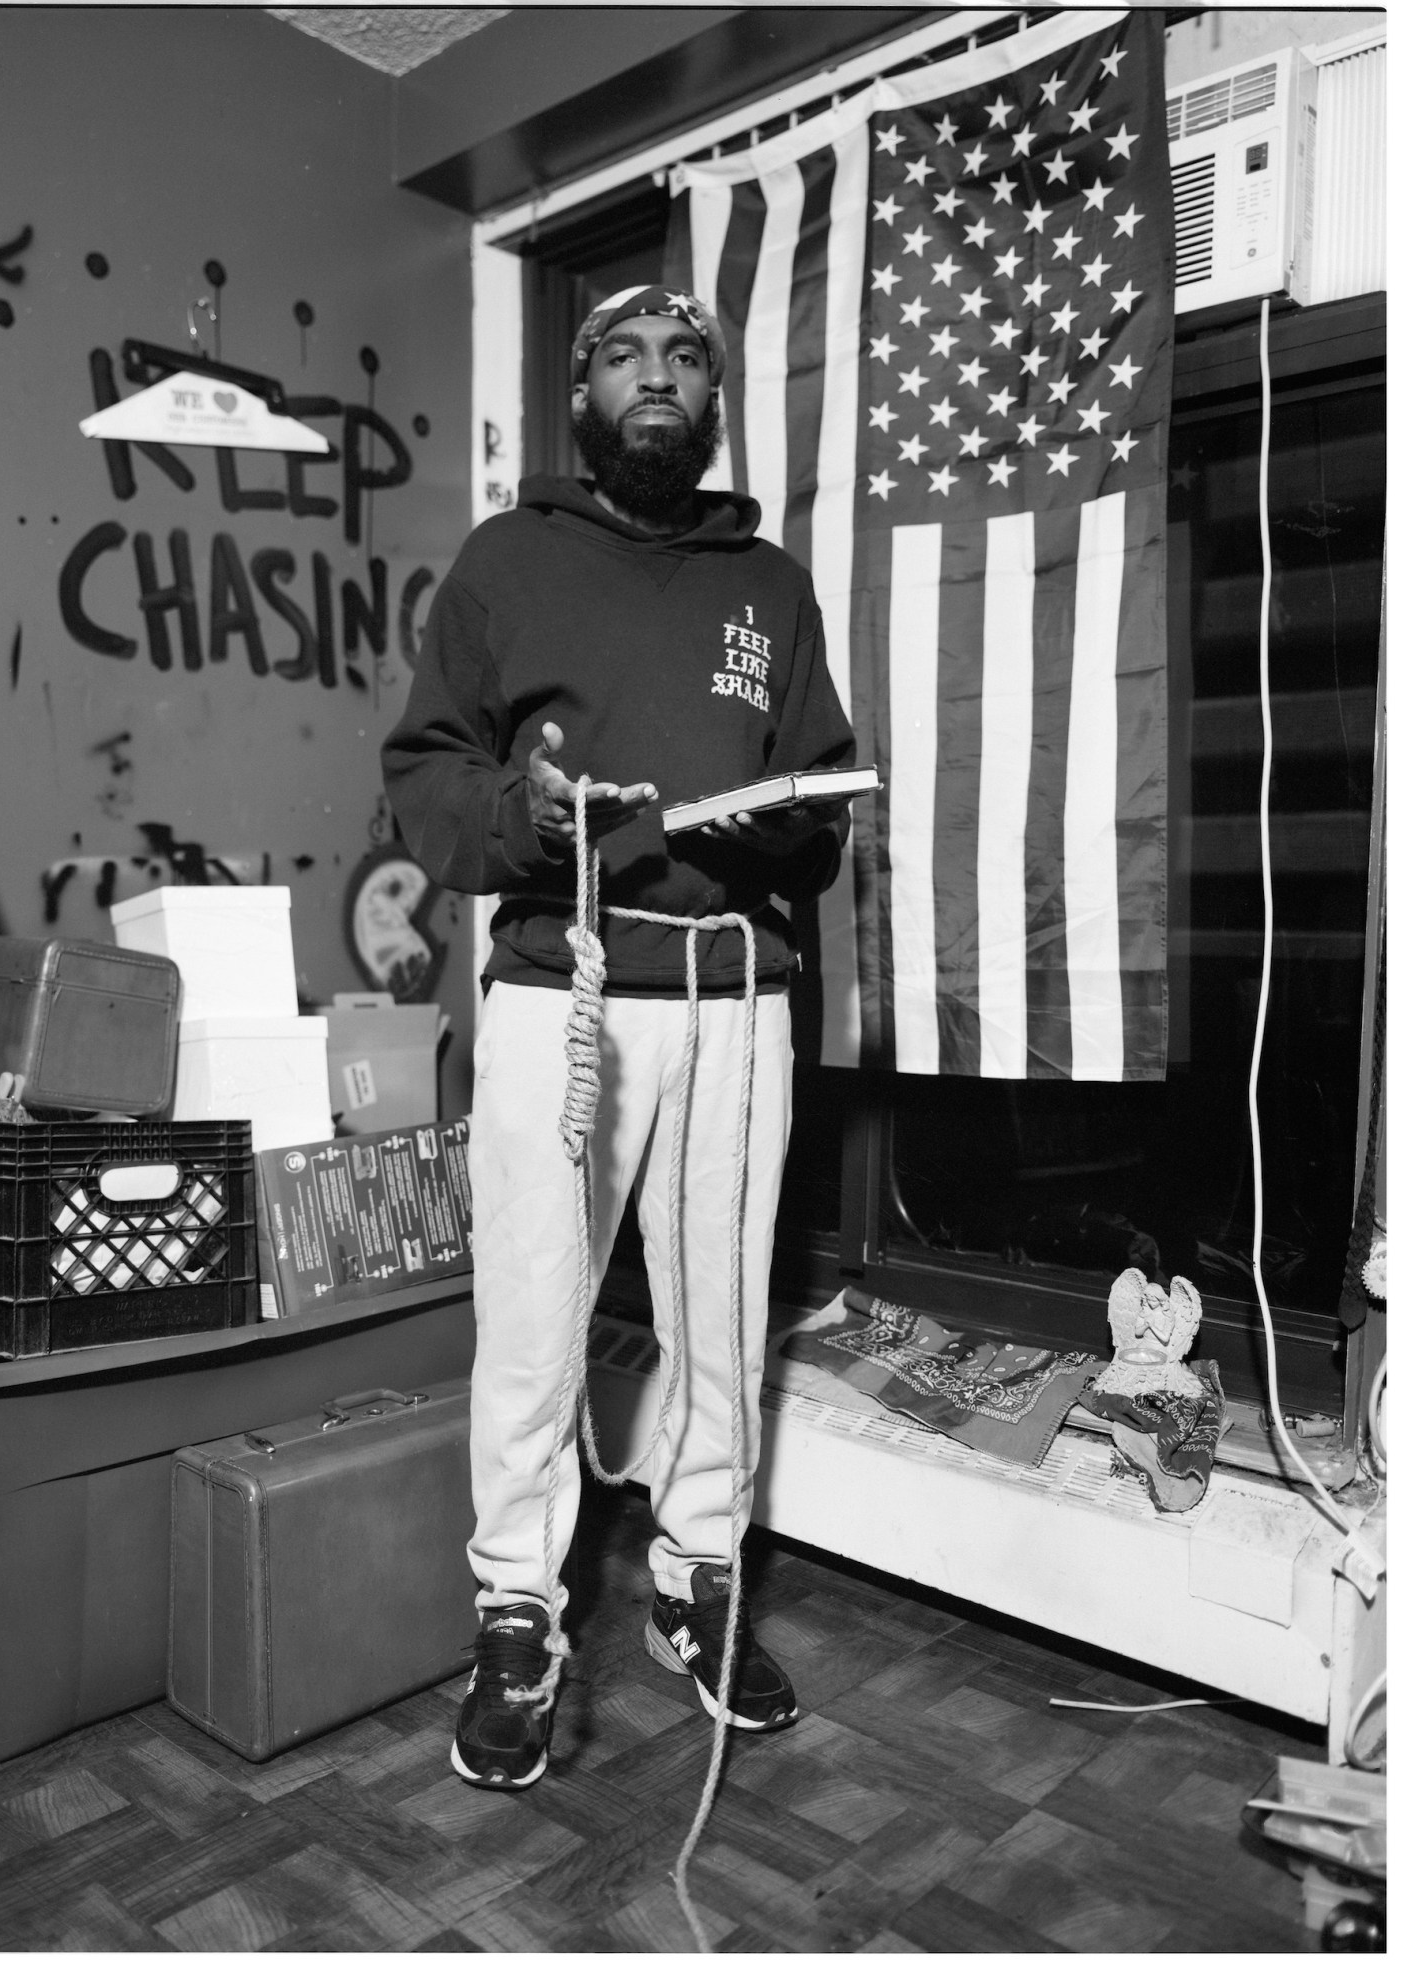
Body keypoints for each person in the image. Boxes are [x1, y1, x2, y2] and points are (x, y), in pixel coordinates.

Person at [382, 284, 856, 1789]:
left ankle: (695, 1580)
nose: (656, 380)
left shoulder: (771, 588)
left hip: (732, 1002)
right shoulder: (507, 562)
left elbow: (820, 798)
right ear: (581, 396)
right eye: (622, 358)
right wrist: (521, 818)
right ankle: (518, 1609)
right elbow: (426, 769)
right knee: (533, 1324)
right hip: (559, 995)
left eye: (686, 361)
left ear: (714, 402)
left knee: (723, 1319)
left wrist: (790, 827)